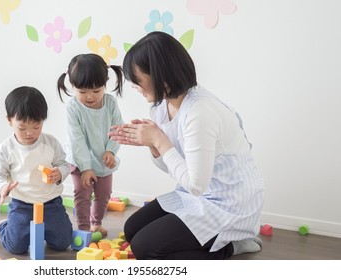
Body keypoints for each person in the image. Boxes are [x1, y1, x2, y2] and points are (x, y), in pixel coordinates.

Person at [109, 31, 264, 260]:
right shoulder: (161, 106)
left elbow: (195, 184)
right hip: (197, 193)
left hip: (228, 202)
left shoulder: (200, 112)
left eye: (137, 80)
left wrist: (159, 140)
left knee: (145, 247)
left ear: (161, 77)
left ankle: (232, 244)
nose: (134, 86)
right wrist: (153, 145)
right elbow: (175, 168)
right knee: (132, 230)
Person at [0, 86, 72, 255]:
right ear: (9, 120)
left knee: (62, 243)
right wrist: (2, 188)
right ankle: (3, 226)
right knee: (16, 247)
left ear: (43, 121)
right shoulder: (6, 148)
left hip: (51, 203)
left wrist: (59, 173)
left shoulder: (51, 143)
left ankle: (41, 230)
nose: (30, 133)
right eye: (22, 128)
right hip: (22, 205)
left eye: (36, 126)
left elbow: (64, 164)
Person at [57, 53, 125, 237]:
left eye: (96, 91)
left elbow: (117, 128)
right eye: (83, 91)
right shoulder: (73, 108)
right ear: (72, 86)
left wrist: (111, 150)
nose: (89, 96)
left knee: (104, 194)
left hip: (103, 160)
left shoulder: (110, 103)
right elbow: (76, 139)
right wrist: (85, 168)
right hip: (80, 161)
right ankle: (83, 228)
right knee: (82, 194)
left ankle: (97, 223)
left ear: (105, 84)